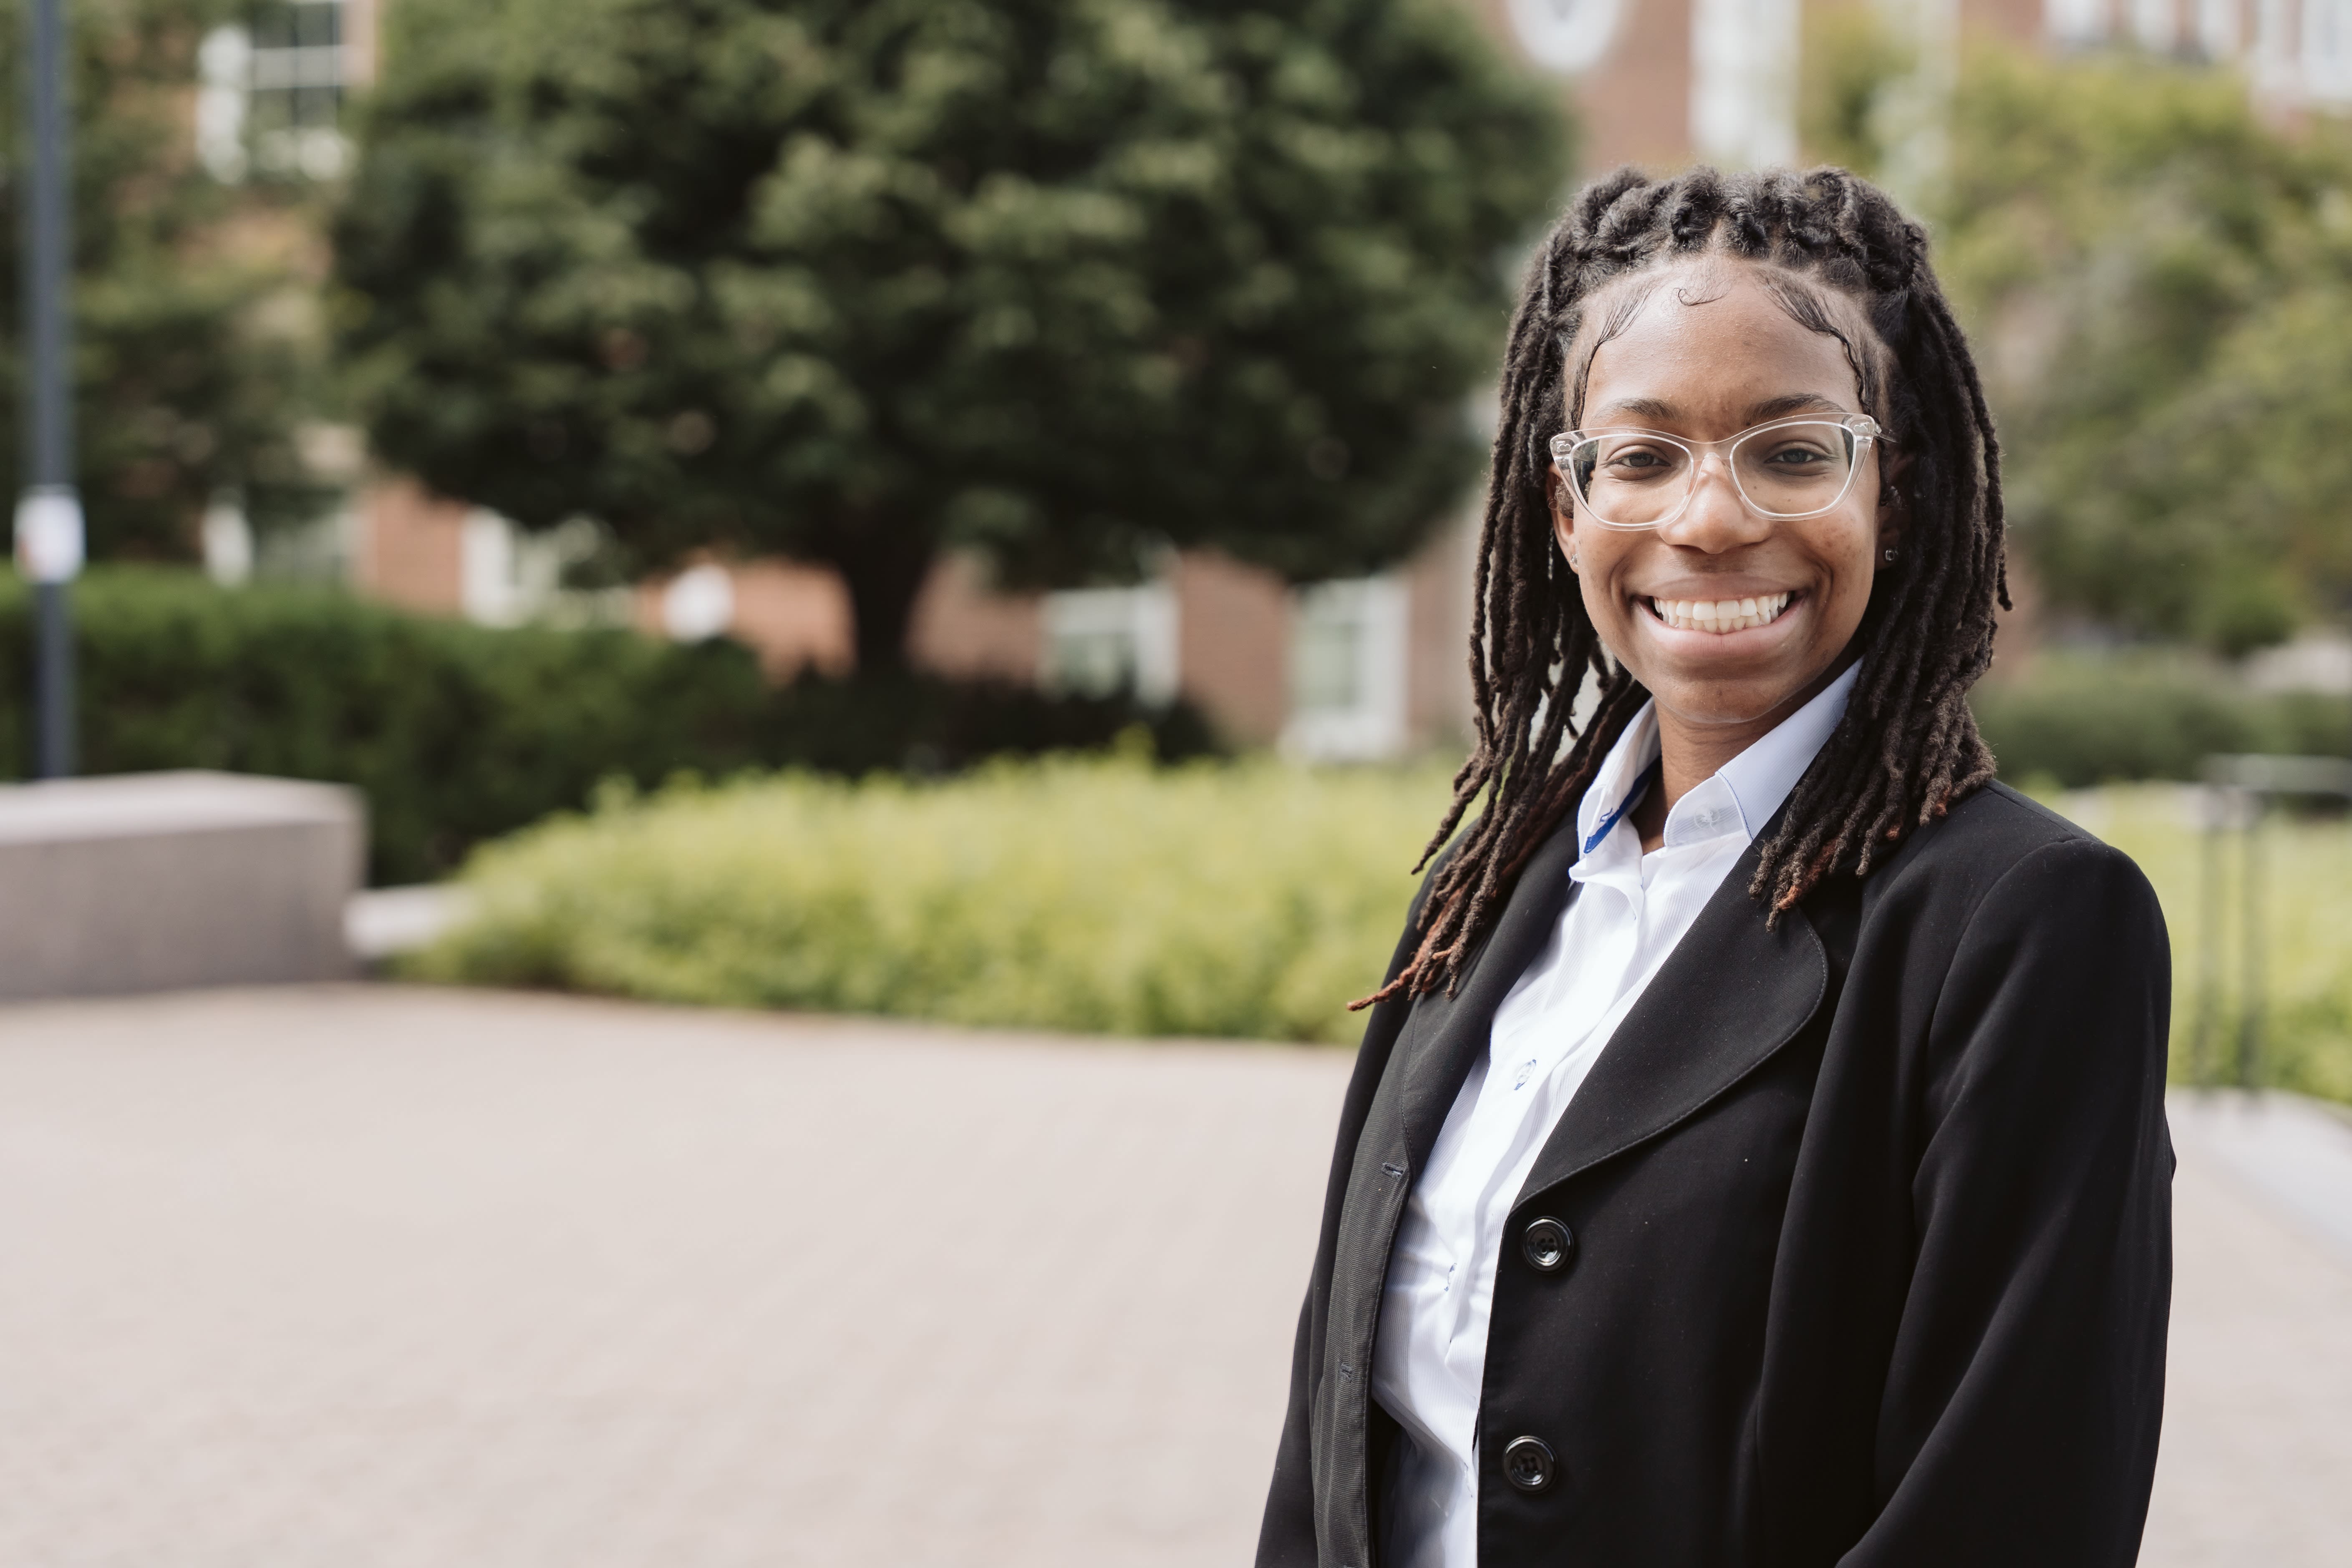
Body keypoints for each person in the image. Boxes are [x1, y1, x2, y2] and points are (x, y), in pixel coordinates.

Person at [1255, 166, 2173, 1568]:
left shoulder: (2025, 924)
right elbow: (1331, 1443)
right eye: (1641, 456)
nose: (1710, 519)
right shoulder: (1479, 902)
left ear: (1898, 492)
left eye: (1793, 452)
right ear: (1563, 507)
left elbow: (2013, 1510)